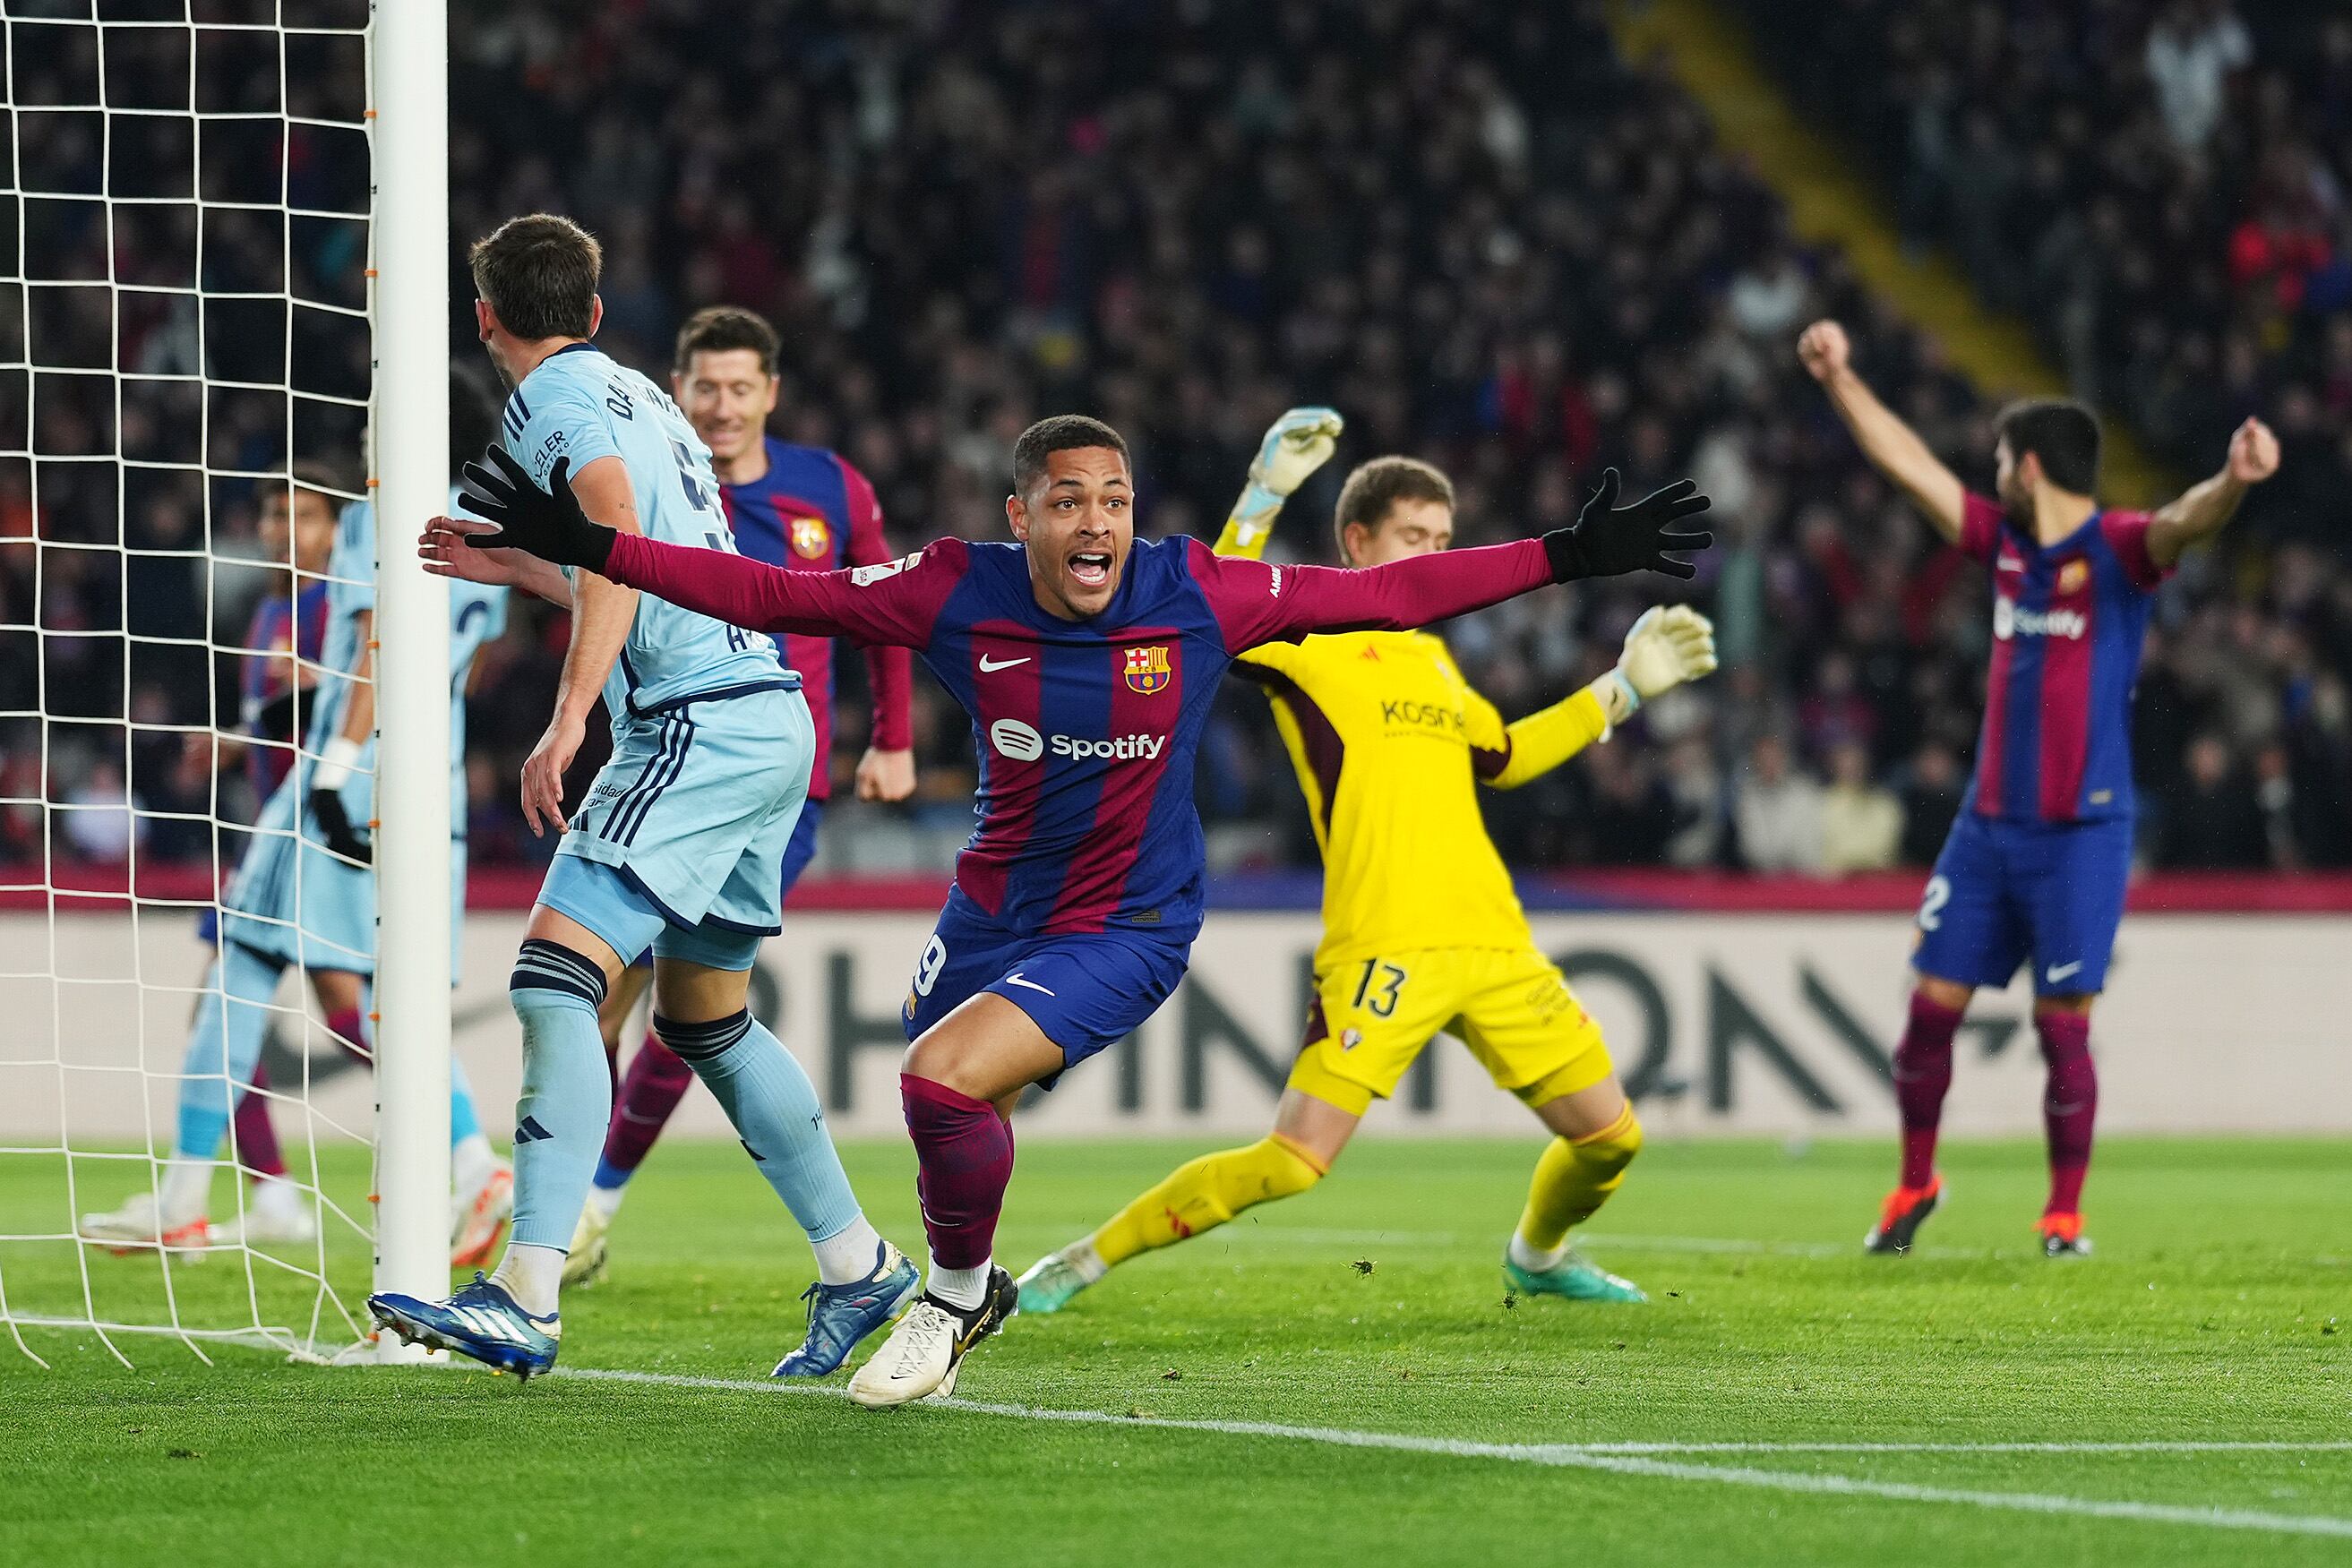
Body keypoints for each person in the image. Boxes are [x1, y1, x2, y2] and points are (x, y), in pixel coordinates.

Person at [423, 403, 1711, 1405]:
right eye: (1069, 501)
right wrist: (592, 544)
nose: (1098, 521)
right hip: (991, 906)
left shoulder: (1193, 589)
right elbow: (770, 592)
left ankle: (952, 1296)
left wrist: (1565, 558)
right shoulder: (951, 585)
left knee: (940, 1081)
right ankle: (887, 1270)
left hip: (1131, 923)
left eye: (1115, 499)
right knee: (945, 1101)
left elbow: (1384, 592)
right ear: (1021, 513)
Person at [368, 214, 916, 1383]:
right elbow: (631, 555)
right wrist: (516, 565)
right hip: (769, 714)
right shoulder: (639, 395)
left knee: (552, 978)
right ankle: (859, 1259)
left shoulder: (552, 404)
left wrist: (569, 719)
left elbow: (617, 536)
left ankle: (527, 1292)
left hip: (696, 721)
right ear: (599, 311)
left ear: (484, 319)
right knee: (705, 1018)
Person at [1015, 412, 1719, 1318]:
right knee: (1292, 1161)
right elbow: (1212, 599)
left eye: (1442, 541)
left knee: (1610, 1136)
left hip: (1493, 941)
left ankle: (1537, 1253)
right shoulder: (1305, 639)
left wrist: (1618, 690)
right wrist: (1262, 496)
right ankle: (1081, 1258)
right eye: (1412, 538)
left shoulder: (1431, 658)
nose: (1433, 555)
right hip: (1384, 944)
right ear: (1358, 541)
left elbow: (1502, 754)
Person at [1798, 316, 2279, 1256]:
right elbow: (1910, 469)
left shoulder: (2120, 552)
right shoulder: (2004, 551)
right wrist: (1840, 379)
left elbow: (2186, 518)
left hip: (2078, 835)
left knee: (2061, 1027)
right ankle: (1911, 1185)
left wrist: (2235, 480)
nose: (1985, 475)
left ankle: (2062, 1215)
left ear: (2027, 468)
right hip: (1985, 829)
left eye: (1996, 459)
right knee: (1926, 1014)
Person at [77, 449, 516, 1264]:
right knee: (360, 997)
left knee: (255, 977)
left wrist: (331, 767)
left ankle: (216, 1196)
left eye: (302, 513)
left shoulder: (369, 539)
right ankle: (451, 1165)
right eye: (274, 515)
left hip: (331, 798)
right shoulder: (473, 533)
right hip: (411, 791)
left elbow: (369, 663)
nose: (285, 529)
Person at [567, 305, 916, 1289]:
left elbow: (883, 612)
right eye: (705, 387)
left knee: (679, 1001)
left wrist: (893, 737)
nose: (721, 406)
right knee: (601, 989)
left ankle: (586, 1204)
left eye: (740, 387)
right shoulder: (647, 476)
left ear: (771, 391)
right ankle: (564, 1199)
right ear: (677, 388)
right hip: (660, 758)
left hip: (777, 786)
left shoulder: (830, 488)